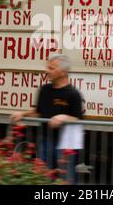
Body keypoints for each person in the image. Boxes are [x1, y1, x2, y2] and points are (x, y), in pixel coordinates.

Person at [10, 54, 84, 183]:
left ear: (63, 72)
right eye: (47, 67)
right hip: (45, 141)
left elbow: (78, 119)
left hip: (66, 145)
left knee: (67, 179)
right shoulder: (44, 90)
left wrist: (64, 117)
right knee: (44, 177)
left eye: (51, 68)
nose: (46, 71)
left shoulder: (73, 94)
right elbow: (38, 112)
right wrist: (23, 114)